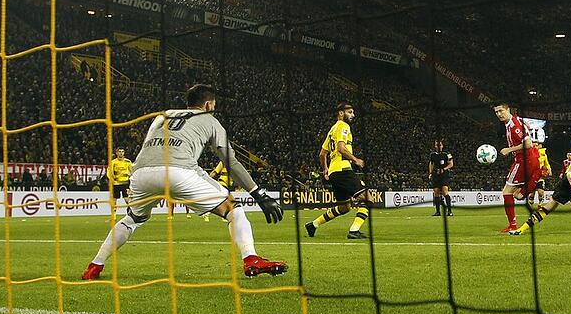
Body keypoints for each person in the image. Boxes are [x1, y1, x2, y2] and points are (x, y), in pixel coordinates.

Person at [82, 84, 286, 280]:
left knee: (132, 219)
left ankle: (95, 265)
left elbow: (149, 145)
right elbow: (230, 162)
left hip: (140, 174)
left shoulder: (164, 115)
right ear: (208, 105)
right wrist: (258, 193)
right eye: (213, 105)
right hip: (179, 172)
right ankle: (251, 259)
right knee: (233, 208)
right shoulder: (211, 121)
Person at [305, 102, 372, 239]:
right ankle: (354, 231)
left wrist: (325, 169)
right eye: (350, 112)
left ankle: (313, 225)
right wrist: (356, 160)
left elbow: (322, 154)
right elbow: (341, 148)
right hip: (343, 170)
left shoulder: (332, 130)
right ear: (341, 113)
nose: (353, 115)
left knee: (344, 207)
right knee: (368, 198)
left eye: (353, 112)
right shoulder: (343, 126)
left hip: (334, 173)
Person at [493, 102, 541, 233]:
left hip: (525, 161)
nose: (499, 114)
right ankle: (527, 188)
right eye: (496, 112)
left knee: (506, 192)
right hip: (524, 160)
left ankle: (512, 225)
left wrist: (509, 149)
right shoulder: (509, 124)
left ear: (508, 109)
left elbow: (528, 144)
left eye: (501, 111)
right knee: (514, 194)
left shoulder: (515, 125)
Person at [429, 139, 454, 216]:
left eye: (439, 145)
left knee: (445, 190)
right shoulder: (432, 155)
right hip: (435, 175)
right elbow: (431, 164)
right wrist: (430, 173)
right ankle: (437, 211)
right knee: (436, 192)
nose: (438, 146)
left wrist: (444, 169)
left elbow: (451, 164)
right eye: (436, 145)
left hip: (444, 175)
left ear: (442, 146)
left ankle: (449, 211)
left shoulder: (447, 154)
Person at [527, 143, 552, 207]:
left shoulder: (543, 155)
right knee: (532, 194)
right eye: (534, 145)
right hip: (531, 176)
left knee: (540, 192)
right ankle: (531, 199)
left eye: (537, 145)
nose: (536, 146)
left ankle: (540, 202)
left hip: (540, 176)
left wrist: (549, 170)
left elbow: (547, 164)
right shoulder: (529, 153)